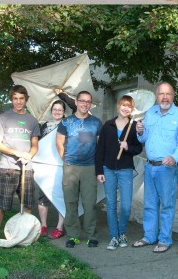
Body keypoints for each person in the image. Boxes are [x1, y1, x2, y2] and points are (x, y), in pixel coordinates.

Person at [134, 82, 178, 253]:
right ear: (156, 96)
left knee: (167, 205)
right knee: (149, 204)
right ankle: (149, 236)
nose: (165, 97)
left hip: (167, 168)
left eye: (168, 94)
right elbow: (142, 140)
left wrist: (174, 157)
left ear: (173, 96)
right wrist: (140, 131)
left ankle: (165, 239)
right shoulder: (150, 113)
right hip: (150, 167)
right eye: (161, 94)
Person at [0, 85, 40, 240]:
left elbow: (34, 146)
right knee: (2, 204)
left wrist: (28, 156)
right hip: (8, 168)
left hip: (27, 168)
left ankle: (24, 235)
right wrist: (16, 152)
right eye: (15, 98)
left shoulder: (32, 120)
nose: (18, 102)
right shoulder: (4, 118)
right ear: (11, 99)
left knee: (27, 204)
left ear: (26, 99)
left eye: (21, 98)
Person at [96, 95, 142, 251]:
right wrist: (99, 170)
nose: (125, 108)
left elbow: (138, 148)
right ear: (118, 106)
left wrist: (127, 146)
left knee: (126, 206)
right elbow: (100, 150)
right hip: (108, 169)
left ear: (132, 109)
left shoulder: (134, 126)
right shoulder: (108, 125)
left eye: (128, 106)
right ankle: (114, 236)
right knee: (110, 204)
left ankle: (122, 232)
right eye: (123, 105)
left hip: (125, 170)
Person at [57, 90, 102, 248]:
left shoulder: (96, 122)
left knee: (90, 203)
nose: (85, 104)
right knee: (71, 202)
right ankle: (73, 235)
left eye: (88, 102)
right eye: (82, 101)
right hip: (70, 167)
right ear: (76, 102)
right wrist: (67, 160)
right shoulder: (66, 122)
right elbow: (59, 144)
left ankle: (91, 235)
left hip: (90, 167)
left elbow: (98, 145)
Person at [37, 99, 74, 239]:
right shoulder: (45, 126)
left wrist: (62, 94)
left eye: (60, 109)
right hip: (46, 165)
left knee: (61, 196)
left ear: (64, 112)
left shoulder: (68, 125)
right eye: (55, 109)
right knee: (43, 196)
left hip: (62, 165)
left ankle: (60, 227)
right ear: (51, 111)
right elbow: (38, 144)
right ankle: (43, 225)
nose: (57, 112)